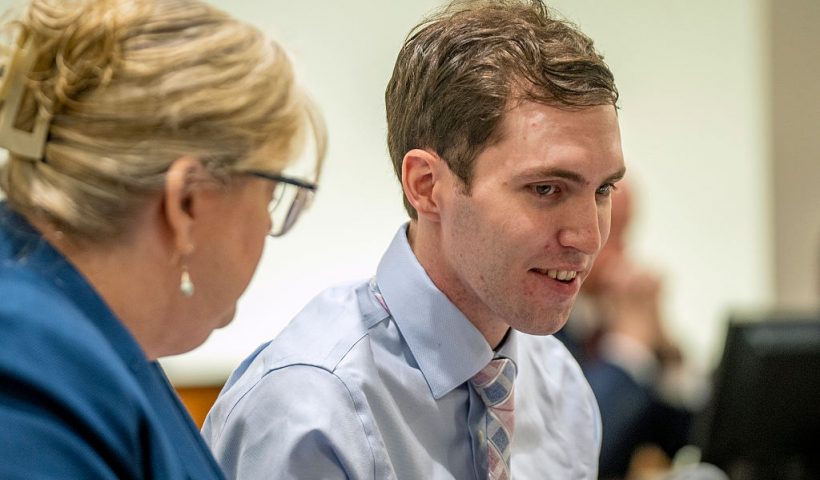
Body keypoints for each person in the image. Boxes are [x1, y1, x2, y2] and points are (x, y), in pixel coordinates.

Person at [203, 0, 624, 478]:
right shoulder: (310, 410)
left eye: (603, 190)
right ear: (426, 185)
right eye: (545, 189)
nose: (588, 237)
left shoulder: (560, 388)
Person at [0, 0, 324, 478]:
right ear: (186, 203)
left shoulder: (82, 335)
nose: (266, 226)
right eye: (270, 195)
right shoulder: (27, 383)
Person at [555, 181, 696, 479]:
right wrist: (628, 349)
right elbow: (583, 454)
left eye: (623, 232)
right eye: (611, 231)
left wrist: (664, 349)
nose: (621, 251)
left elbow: (687, 441)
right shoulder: (539, 328)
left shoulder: (611, 316)